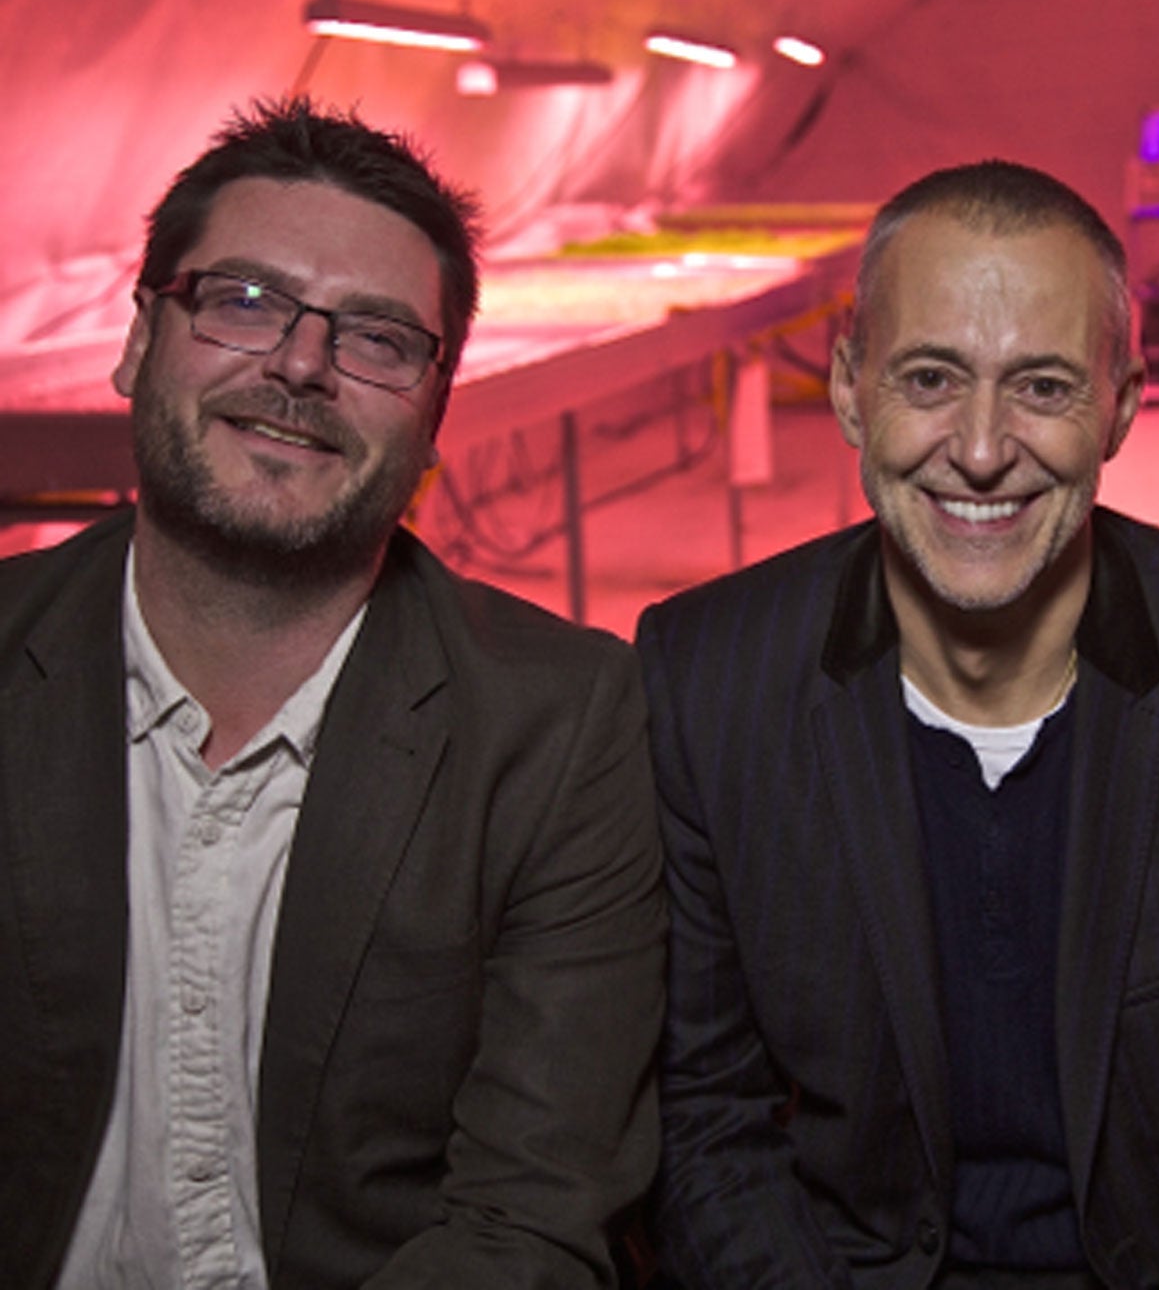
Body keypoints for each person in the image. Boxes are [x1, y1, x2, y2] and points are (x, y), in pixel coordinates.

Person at [637, 159, 1159, 1288]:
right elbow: (703, 1117)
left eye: (1041, 388)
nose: (982, 449)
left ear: (1122, 407)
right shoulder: (705, 679)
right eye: (931, 378)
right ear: (850, 389)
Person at [0, 97, 665, 1289]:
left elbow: (527, 1225)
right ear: (139, 340)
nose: (300, 365)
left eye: (377, 338)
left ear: (433, 419)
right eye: (243, 301)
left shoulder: (558, 725)